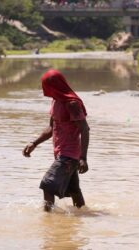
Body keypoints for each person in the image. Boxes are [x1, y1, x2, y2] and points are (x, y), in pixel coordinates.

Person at [22, 69, 89, 211]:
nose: (43, 89)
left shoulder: (72, 104)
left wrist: (83, 158)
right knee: (74, 191)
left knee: (47, 184)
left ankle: (48, 220)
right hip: (61, 154)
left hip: (69, 156)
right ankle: (83, 217)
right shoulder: (55, 101)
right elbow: (51, 128)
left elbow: (84, 129)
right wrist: (34, 143)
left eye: (45, 85)